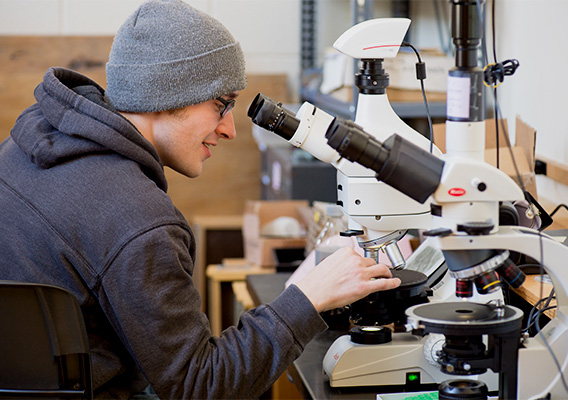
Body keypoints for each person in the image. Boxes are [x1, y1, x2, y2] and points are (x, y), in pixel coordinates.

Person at [0, 0, 401, 398]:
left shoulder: (23, 147)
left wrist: (297, 296)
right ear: (166, 94)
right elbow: (199, 386)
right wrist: (308, 301)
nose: (230, 130)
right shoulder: (138, 221)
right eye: (221, 104)